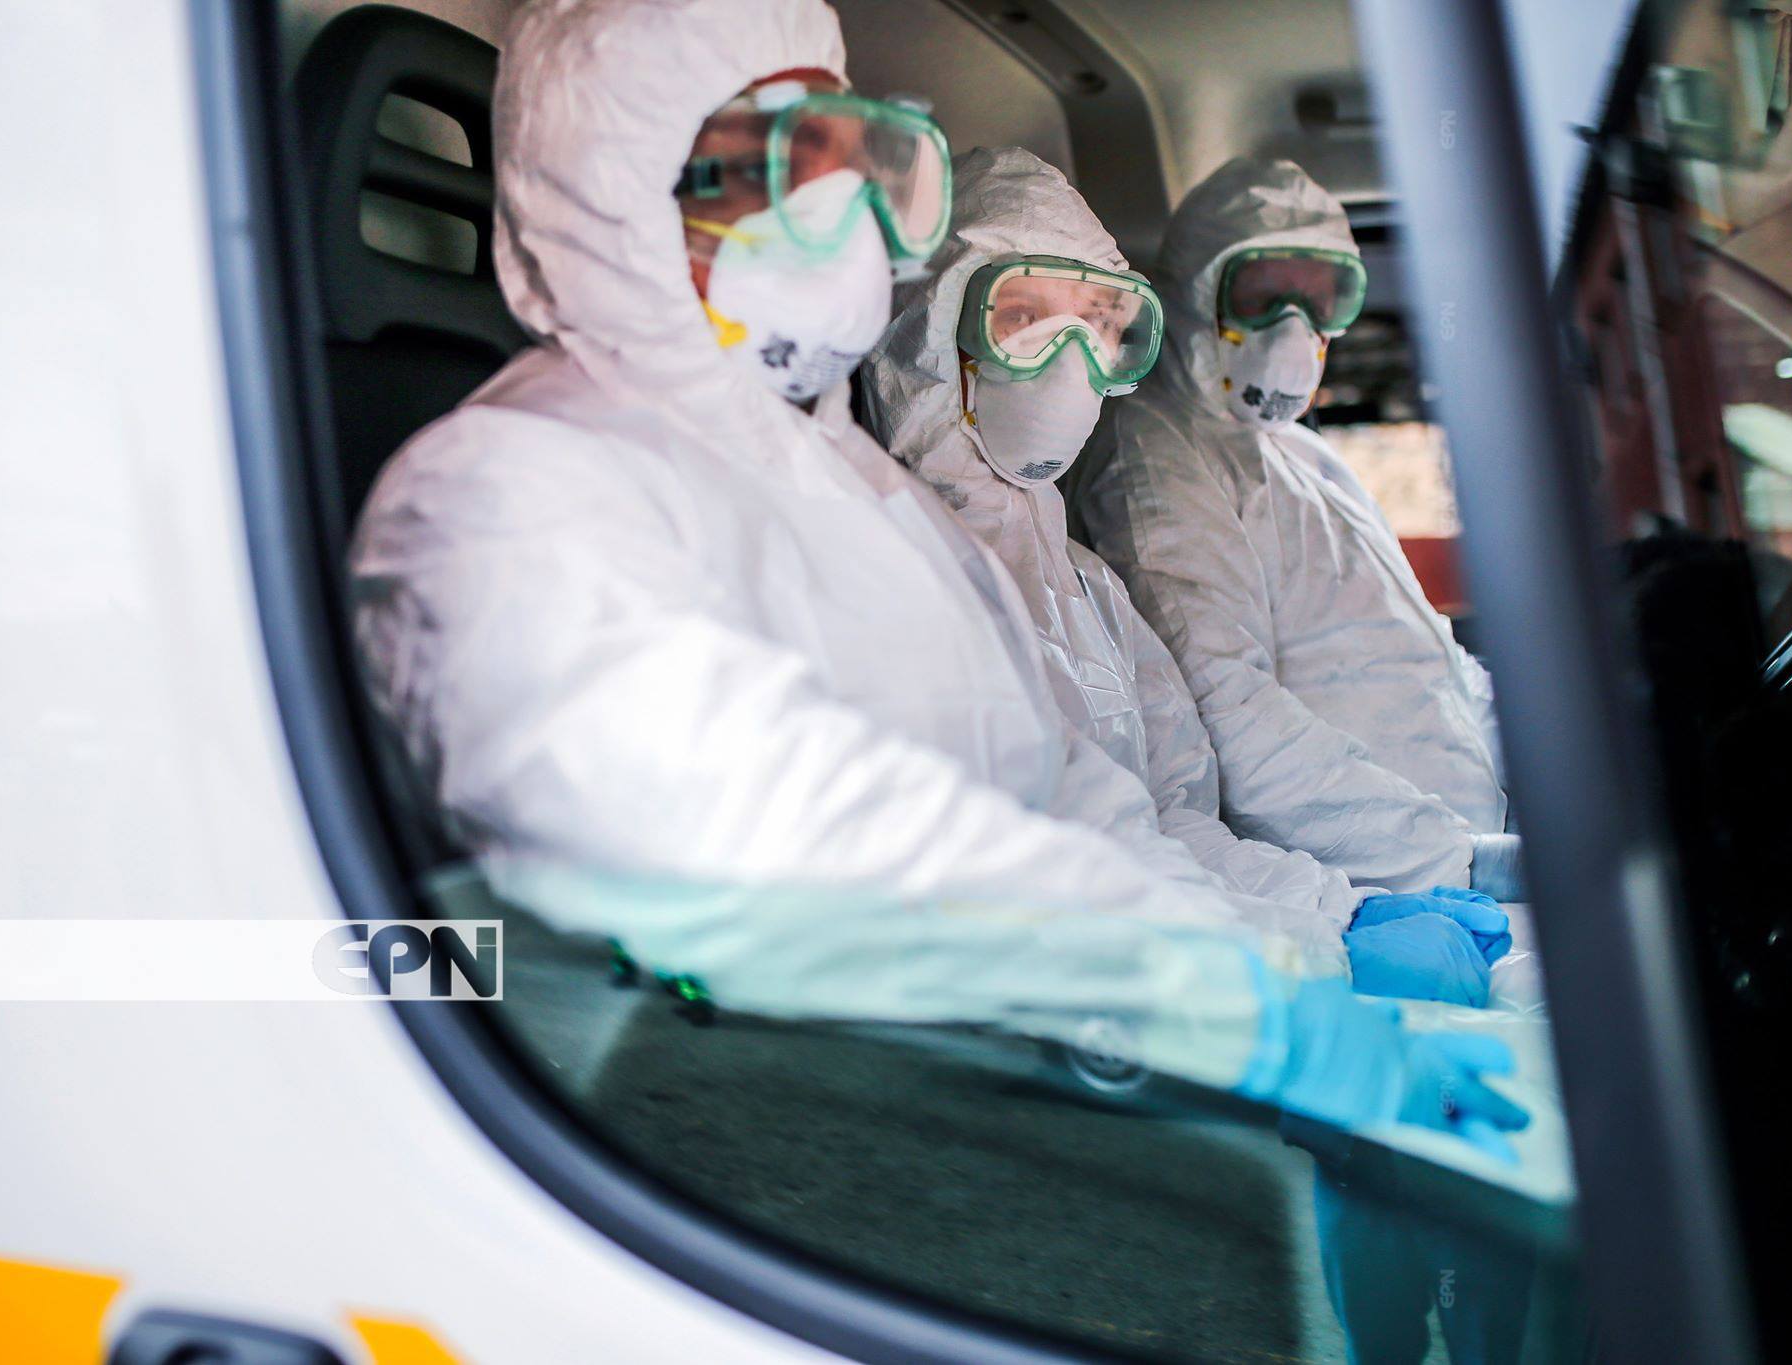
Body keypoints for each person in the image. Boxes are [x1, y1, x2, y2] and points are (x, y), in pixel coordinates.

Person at [350, 0, 1525, 1151]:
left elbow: (1079, 805)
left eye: (846, 168)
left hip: (972, 1077)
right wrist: (1239, 1007)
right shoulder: (505, 493)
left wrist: (1316, 937)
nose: (834, 219)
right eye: (768, 172)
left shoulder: (864, 498)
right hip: (757, 1128)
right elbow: (775, 837)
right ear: (615, 187)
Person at [860, 147, 1508, 1005]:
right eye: (1024, 316)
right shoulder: (883, 570)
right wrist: (1331, 941)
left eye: (1096, 323)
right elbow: (1047, 873)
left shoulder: (1088, 586)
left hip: (1229, 950)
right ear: (933, 326)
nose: (1071, 358)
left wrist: (1344, 909)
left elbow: (1175, 822)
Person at [1075, 158, 1524, 900]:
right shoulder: (1155, 454)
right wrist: (1462, 860)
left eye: (1319, 302)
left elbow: (1432, 660)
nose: (1295, 329)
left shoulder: (1303, 455)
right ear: (1193, 290)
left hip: (1462, 859)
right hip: (1388, 887)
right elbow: (1232, 718)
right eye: (1263, 298)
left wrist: (1539, 772)